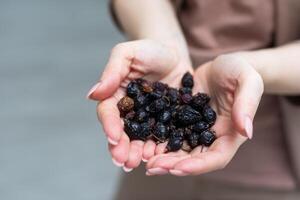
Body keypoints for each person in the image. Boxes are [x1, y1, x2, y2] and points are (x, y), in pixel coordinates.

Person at [87, 0, 300, 199]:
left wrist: (253, 71)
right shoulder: (168, 119)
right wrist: (164, 43)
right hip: (154, 158)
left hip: (275, 171)